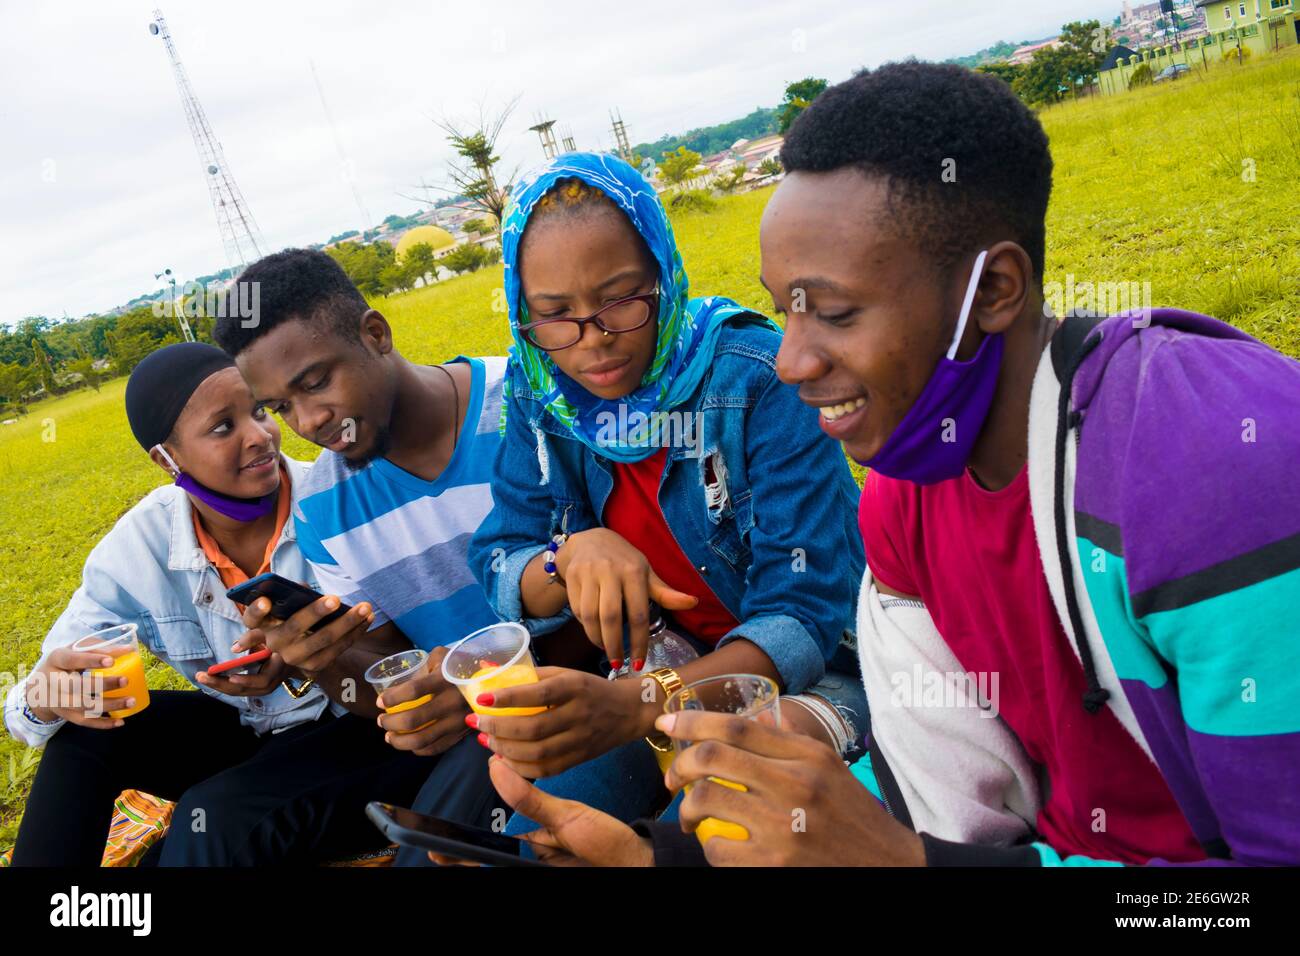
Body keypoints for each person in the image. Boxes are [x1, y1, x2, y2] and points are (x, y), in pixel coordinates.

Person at [442, 62, 1300, 868]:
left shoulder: (1208, 466)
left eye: (837, 313)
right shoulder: (902, 493)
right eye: (786, 311)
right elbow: (953, 808)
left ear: (994, 290)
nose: (788, 360)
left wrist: (897, 860)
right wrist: (660, 856)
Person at [465, 153, 868, 836]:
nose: (593, 343)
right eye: (555, 315)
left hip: (821, 678)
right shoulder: (542, 399)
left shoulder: (757, 381)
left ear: (663, 272)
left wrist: (641, 705)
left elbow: (802, 615)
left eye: (621, 300)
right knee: (548, 830)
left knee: (708, 830)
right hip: (652, 678)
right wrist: (570, 558)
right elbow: (502, 555)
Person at [6, 342, 429, 866]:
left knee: (208, 819)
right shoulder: (139, 545)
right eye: (223, 427)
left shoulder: (342, 499)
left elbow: (416, 663)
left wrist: (311, 662)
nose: (260, 437)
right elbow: (35, 696)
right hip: (249, 734)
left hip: (365, 731)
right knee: (83, 731)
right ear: (166, 458)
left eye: (258, 411)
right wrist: (48, 696)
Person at [214, 250, 513, 865]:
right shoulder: (322, 507)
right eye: (280, 407)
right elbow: (381, 677)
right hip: (474, 738)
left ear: (376, 334)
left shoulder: (527, 406)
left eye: (316, 383)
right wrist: (321, 656)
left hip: (593, 697)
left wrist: (481, 682)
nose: (309, 422)